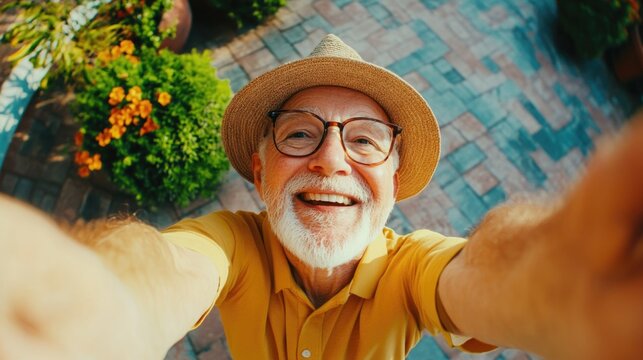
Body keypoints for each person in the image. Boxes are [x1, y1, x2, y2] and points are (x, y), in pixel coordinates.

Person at [1, 34, 642, 360]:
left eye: (365, 141)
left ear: (393, 176)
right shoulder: (230, 244)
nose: (331, 159)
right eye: (300, 133)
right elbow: (165, 267)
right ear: (259, 172)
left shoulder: (411, 269)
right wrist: (91, 304)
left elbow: (481, 271)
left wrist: (558, 272)